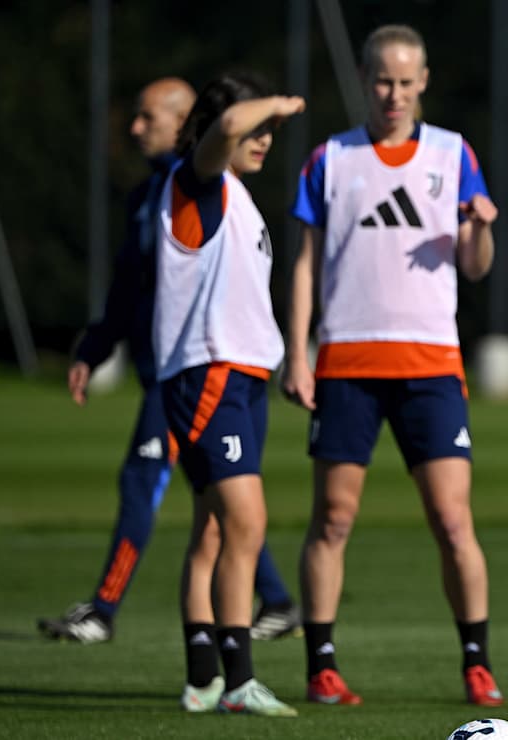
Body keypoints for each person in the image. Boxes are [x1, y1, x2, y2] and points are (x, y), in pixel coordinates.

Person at [37, 77, 303, 647]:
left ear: (187, 121)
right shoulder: (171, 189)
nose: (136, 128)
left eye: (147, 117)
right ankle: (241, 634)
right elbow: (129, 284)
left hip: (199, 370)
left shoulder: (210, 184)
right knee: (216, 506)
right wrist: (96, 345)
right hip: (187, 370)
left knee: (210, 506)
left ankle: (119, 615)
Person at [282, 24, 503, 708]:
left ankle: (477, 662)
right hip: (346, 359)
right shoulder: (330, 159)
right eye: (383, 80)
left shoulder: (452, 152)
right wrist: (298, 353)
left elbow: (473, 266)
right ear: (364, 77)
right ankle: (321, 665)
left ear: (425, 81)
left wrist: (482, 226)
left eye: (407, 82)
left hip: (431, 362)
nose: (395, 94)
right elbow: (305, 264)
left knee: (452, 519)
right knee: (334, 518)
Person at [153, 71, 305, 716]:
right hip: (209, 372)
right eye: (258, 128)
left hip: (237, 377)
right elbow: (223, 130)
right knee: (246, 522)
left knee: (214, 530)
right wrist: (276, 103)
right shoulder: (200, 179)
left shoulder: (234, 195)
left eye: (273, 131)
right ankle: (239, 681)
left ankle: (202, 679)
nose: (265, 138)